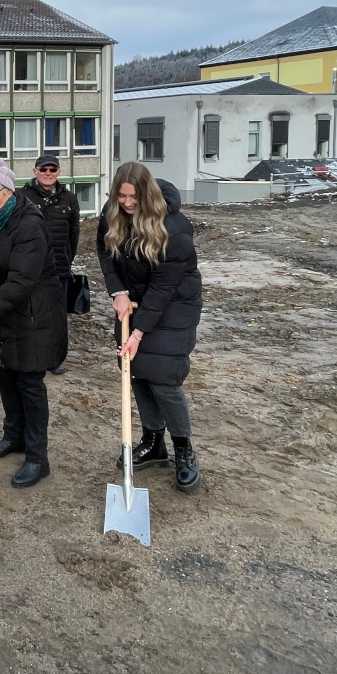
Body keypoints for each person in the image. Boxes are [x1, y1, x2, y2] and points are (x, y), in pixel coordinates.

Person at [97, 162, 203, 494]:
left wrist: (139, 332)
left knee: (164, 377)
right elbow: (105, 252)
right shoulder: (113, 210)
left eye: (134, 198)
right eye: (121, 196)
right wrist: (118, 292)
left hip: (173, 305)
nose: (127, 204)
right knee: (136, 371)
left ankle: (183, 448)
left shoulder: (175, 228)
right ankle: (153, 440)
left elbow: (162, 288)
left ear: (147, 194)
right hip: (132, 302)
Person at [0, 159, 67, 489]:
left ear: (9, 191)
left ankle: (38, 458)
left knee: (29, 384)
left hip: (33, 316)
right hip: (7, 314)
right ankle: (15, 437)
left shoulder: (29, 224)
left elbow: (23, 279)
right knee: (5, 376)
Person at [19, 154, 81, 375]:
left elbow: (74, 235)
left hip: (58, 268)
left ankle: (55, 358)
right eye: (43, 170)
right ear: (35, 171)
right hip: (29, 267)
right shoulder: (22, 196)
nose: (48, 174)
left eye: (52, 170)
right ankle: (30, 356)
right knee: (29, 313)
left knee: (56, 316)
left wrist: (66, 258)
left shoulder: (69, 199)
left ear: (58, 172)